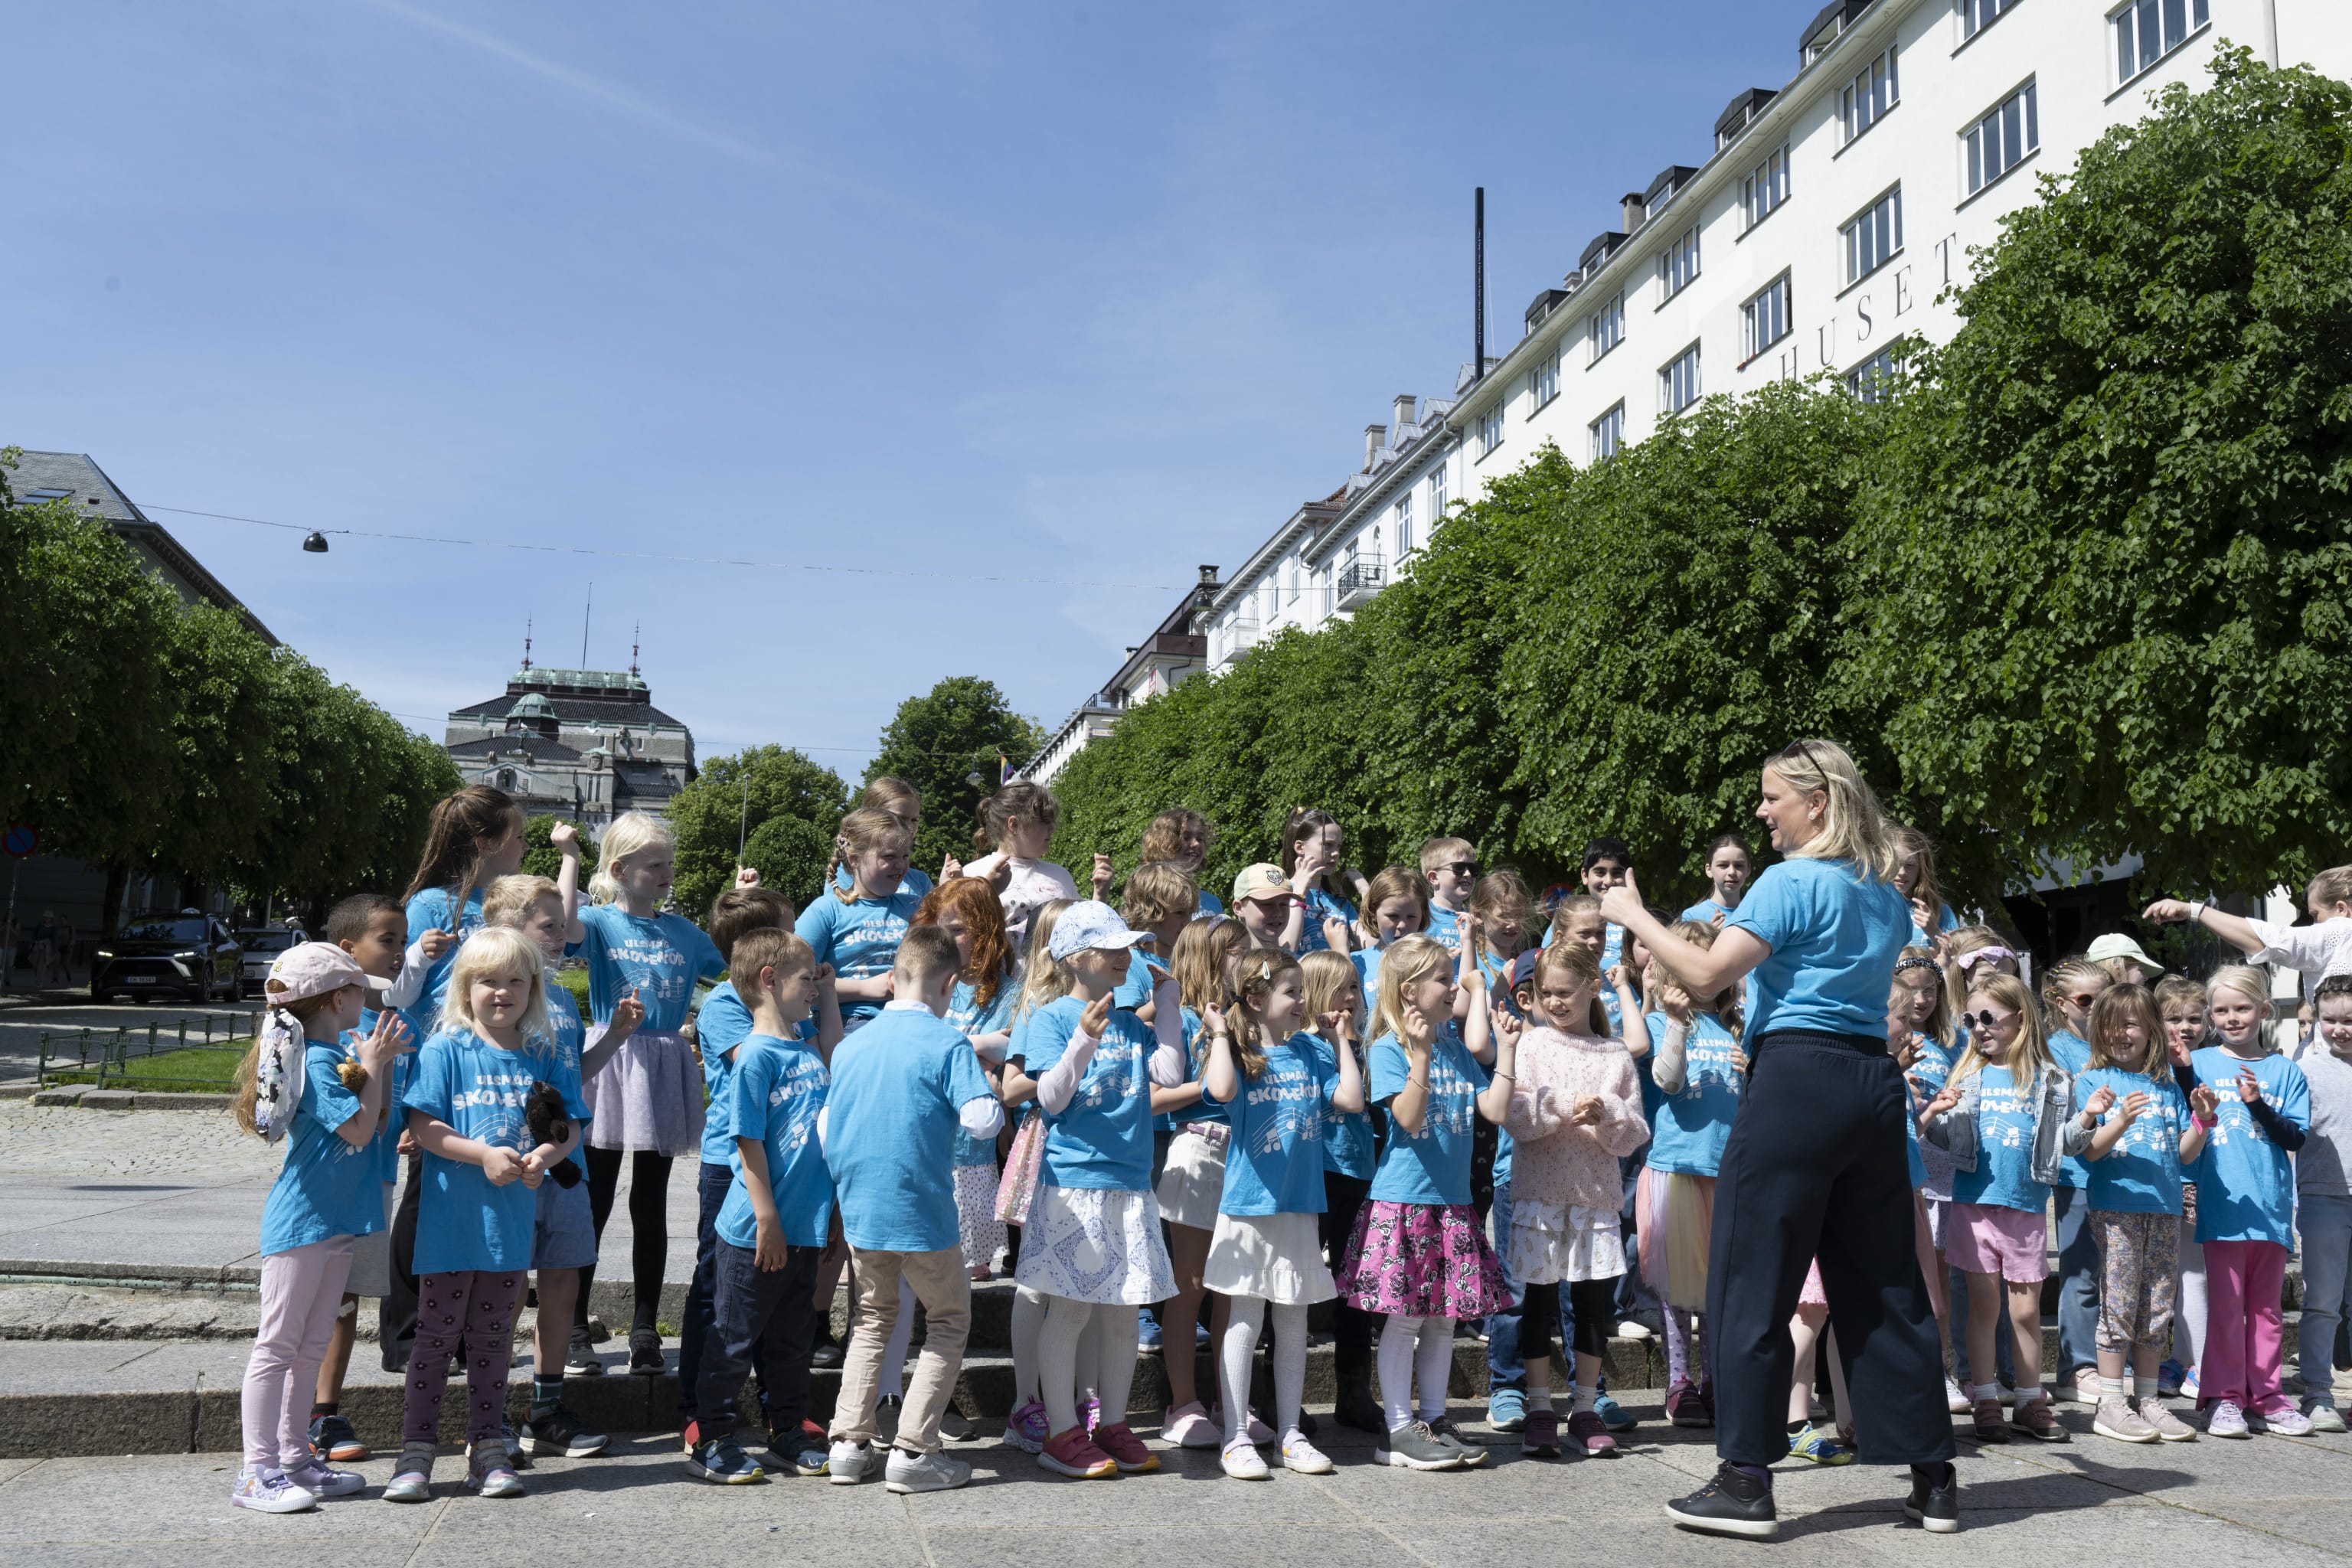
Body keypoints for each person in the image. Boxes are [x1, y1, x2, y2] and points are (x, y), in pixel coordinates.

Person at [1602, 739, 1955, 1540]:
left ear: (1817, 802)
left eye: (1772, 797)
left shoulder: (1790, 881)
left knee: (1750, 1277)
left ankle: (1746, 1480)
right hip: (1871, 1084)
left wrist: (1633, 916)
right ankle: (1933, 1474)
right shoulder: (1879, 891)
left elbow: (1703, 977)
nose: (1762, 811)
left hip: (1797, 1078)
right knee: (1886, 1283)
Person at [1001, 902, 1186, 1480]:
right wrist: (1082, 1039)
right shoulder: (1053, 1016)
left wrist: (1172, 1008)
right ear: (1079, 957)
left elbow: (1171, 1074)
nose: (1127, 956)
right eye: (1115, 948)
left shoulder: (1133, 1022)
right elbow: (1050, 1098)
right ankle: (1061, 1430)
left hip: (1128, 1184)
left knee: (1123, 1313)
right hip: (1074, 1183)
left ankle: (1110, 1422)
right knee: (1072, 1310)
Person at [386, 926, 568, 1504]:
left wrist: (542, 1155)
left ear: (533, 989)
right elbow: (423, 1126)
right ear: (465, 988)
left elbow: (567, 1128)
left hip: (507, 1235)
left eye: (515, 980)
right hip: (448, 1231)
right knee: (435, 1341)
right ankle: (415, 1451)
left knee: (493, 1342)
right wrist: (483, 1154)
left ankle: (487, 1445)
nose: (502, 992)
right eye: (488, 980)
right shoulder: (445, 1049)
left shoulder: (544, 1052)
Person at [819, 926, 1001, 1492]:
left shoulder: (851, 1045)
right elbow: (980, 1121)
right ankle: (916, 1450)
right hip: (923, 1210)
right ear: (950, 984)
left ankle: (849, 1443)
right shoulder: (948, 1043)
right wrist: (988, 1086)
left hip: (863, 1212)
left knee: (871, 1321)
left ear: (893, 979)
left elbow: (828, 1126)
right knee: (948, 1321)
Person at [230, 944, 407, 1513]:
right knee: (279, 1346)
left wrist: (374, 1067)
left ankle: (295, 1458)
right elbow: (359, 1132)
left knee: (309, 1345)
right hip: (303, 1224)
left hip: (333, 1223)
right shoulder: (320, 1062)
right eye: (359, 989)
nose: (367, 996)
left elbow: (372, 1127)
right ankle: (256, 1471)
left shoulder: (331, 1052)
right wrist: (375, 1067)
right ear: (338, 999)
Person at [1334, 933, 1514, 1472]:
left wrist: (1507, 1051)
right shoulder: (1390, 1048)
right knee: (1407, 1318)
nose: (1453, 987)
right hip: (1405, 1203)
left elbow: (1496, 1110)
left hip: (1452, 1202)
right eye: (1443, 978)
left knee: (1442, 1319)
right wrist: (1419, 1054)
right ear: (1411, 990)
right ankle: (1396, 1431)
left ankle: (1433, 1420)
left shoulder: (1456, 1047)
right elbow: (1407, 1119)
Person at [1198, 946, 1366, 1477]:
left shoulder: (1312, 1051)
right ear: (1255, 998)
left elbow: (1352, 1100)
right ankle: (1236, 1435)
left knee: (1293, 1319)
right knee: (1246, 1317)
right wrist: (1223, 1032)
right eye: (1291, 991)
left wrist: (1339, 1041)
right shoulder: (1242, 1056)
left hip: (1299, 1206)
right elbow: (1219, 1090)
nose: (1302, 1001)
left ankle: (1291, 1432)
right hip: (1249, 1208)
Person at [483, 871, 632, 1461]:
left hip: (567, 1162)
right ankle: (489, 1410)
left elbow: (572, 1078)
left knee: (563, 1281)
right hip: (513, 1164)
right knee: (502, 1287)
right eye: (550, 925)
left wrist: (617, 1037)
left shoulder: (563, 997)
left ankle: (544, 1408)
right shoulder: (497, 995)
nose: (563, 934)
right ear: (508, 929)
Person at [574, 811, 724, 1376]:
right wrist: (569, 859)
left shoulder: (685, 932)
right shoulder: (597, 923)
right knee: (594, 1199)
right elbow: (561, 933)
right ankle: (573, 1327)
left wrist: (738, 906)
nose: (666, 873)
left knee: (651, 1203)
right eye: (654, 865)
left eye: (668, 864)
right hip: (612, 1060)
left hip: (662, 1060)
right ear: (620, 869)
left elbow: (736, 965)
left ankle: (644, 1328)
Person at [384, 786, 525, 1372]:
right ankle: (409, 1333)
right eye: (516, 836)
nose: (522, 846)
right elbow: (395, 994)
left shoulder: (496, 907)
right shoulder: (428, 907)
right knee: (424, 1198)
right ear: (485, 842)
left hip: (489, 1074)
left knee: (466, 1205)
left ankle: (466, 1330)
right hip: (440, 1077)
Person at [687, 928, 835, 1485]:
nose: (817, 987)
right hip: (755, 1230)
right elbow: (746, 1142)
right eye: (807, 977)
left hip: (804, 1229)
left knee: (793, 1339)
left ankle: (787, 1429)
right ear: (769, 981)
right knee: (733, 1337)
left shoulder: (807, 1051)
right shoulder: (756, 1056)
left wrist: (831, 1217)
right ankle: (716, 1435)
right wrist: (767, 1216)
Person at [1501, 942, 1648, 1459]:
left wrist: (1607, 1110)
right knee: (1537, 1301)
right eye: (1547, 993)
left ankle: (1584, 1405)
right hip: (1540, 1193)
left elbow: (1633, 1133)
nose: (1556, 1001)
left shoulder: (1614, 1054)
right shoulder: (1533, 1044)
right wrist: (1564, 1106)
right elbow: (1517, 1116)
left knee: (1590, 1306)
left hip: (1593, 1197)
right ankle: (1539, 1404)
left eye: (1565, 992)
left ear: (1592, 988)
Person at [1921, 971, 2072, 1445]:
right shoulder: (1968, 1075)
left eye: (1989, 1017)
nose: (1979, 1027)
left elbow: (2065, 1139)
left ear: (2021, 1019)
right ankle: (1984, 1395)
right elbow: (1945, 1140)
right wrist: (1934, 1111)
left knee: (2026, 1312)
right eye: (1970, 1019)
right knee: (1984, 1307)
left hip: (2024, 1207)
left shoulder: (2050, 1078)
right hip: (1974, 1205)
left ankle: (2030, 1397)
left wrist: (2090, 1119)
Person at [306, 893, 430, 1465]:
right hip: (329, 1187)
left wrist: (409, 1122)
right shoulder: (332, 1033)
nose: (399, 953)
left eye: (403, 942)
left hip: (376, 1178)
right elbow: (345, 1109)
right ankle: (306, 1414)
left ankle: (325, 1412)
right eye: (389, 941)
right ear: (346, 949)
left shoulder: (396, 1018)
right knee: (320, 1299)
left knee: (347, 1298)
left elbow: (408, 1098)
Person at [2063, 983, 2213, 1443]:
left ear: (2151, 1029)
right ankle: (2111, 1402)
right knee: (2121, 1304)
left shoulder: (2166, 1082)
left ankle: (2147, 1399)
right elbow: (2089, 1152)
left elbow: (2184, 1156)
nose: (2119, 1033)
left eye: (2129, 1023)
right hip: (2118, 1209)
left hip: (2164, 1208)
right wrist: (2119, 1119)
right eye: (2109, 1024)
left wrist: (2203, 1123)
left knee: (2156, 1306)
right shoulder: (2095, 1081)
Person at [2188, 964, 2311, 1437]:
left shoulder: (2285, 1071)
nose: (2231, 1018)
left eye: (2242, 1008)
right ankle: (2223, 1397)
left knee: (2266, 1310)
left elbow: (2294, 1138)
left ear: (2264, 1010)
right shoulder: (2198, 1065)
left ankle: (2269, 1397)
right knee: (2226, 1305)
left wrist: (2258, 1103)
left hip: (2271, 1211)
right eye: (2221, 1010)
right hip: (2222, 1208)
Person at [1638, 920, 1749, 1431]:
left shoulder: (1736, 1026)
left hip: (1727, 1167)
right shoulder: (1661, 1021)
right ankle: (1680, 1381)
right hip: (1680, 1167)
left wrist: (1751, 1072)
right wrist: (1678, 1024)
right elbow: (1666, 1080)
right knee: (1680, 1285)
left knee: (1719, 1286)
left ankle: (1715, 1380)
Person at [1153, 914, 1248, 1448]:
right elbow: (1164, 1092)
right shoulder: (1185, 1017)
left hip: (1243, 1157)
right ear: (1211, 957)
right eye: (1236, 951)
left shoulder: (1243, 1014)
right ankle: (1182, 1403)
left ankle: (1230, 1402)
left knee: (1232, 1287)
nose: (1247, 958)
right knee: (1189, 1287)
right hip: (1198, 1148)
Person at [996, 897, 1077, 1453]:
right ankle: (1027, 1401)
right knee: (1033, 1280)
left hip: (1084, 1148)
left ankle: (1072, 1398)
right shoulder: (1035, 1007)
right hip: (1044, 1144)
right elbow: (1014, 1086)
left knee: (1077, 1282)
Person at [1297, 948, 1383, 1432]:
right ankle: (1280, 1392)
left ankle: (1354, 1391)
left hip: (1358, 1172)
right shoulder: (1303, 1045)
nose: (1350, 997)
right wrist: (1338, 1043)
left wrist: (1350, 1043)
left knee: (1354, 1286)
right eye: (1340, 988)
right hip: (1316, 1173)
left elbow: (1367, 1100)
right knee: (1301, 1284)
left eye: (1354, 987)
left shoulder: (1365, 1045)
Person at [919, 876, 1021, 1280]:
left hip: (975, 1150)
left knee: (972, 1271)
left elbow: (1008, 1057)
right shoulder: (931, 986)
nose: (946, 940)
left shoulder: (1011, 995)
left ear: (987, 931)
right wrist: (976, 1048)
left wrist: (966, 1045)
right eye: (940, 930)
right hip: (931, 1140)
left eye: (957, 930)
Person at [2042, 956, 2112, 1404]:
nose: (2097, 1007)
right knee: (2082, 1272)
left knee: (2114, 1275)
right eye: (2087, 999)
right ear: (2062, 1003)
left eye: (2104, 997)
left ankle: (2104, 1360)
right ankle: (2076, 1367)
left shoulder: (2119, 1041)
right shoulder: (2056, 1047)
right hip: (2077, 1174)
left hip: (2116, 1172)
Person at [2295, 975, 2352, 1432]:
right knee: (2324, 1301)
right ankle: (2317, 1390)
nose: (2340, 1029)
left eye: (2349, 1019)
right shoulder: (2307, 1069)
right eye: (2329, 1020)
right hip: (2323, 1196)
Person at [2154, 975, 2213, 1399]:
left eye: (2194, 1018)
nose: (2185, 1027)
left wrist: (2187, 1068)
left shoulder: (2207, 1064)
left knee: (2194, 1277)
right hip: (2160, 1183)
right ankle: (2179, 1358)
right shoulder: (2152, 1067)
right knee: (2167, 1279)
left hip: (2196, 1183)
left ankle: (2199, 1364)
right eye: (2173, 1018)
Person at [2145, 868, 2352, 988]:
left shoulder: (2341, 931)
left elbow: (2265, 940)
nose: (2314, 924)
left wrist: (2195, 911)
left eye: (2316, 915)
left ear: (2341, 909)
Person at [963, 781, 1080, 956]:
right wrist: (987, 890)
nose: (1052, 828)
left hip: (1057, 982)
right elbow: (960, 937)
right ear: (1014, 825)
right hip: (998, 982)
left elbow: (1082, 931)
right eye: (1044, 821)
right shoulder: (973, 873)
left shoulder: (1060, 875)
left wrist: (1100, 893)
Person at [833, 776, 939, 896]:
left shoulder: (920, 881)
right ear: (871, 817)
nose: (910, 827)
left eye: (914, 820)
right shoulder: (848, 875)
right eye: (900, 818)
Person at [1281, 808, 1365, 955]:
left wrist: (1366, 892)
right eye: (1327, 845)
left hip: (1337, 977)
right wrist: (1299, 893)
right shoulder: (1280, 894)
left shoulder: (1339, 903)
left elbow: (1372, 943)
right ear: (1300, 847)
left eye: (1339, 846)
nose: (1336, 853)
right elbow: (1287, 950)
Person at [1139, 808, 1223, 914]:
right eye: (1186, 837)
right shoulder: (1145, 898)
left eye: (1200, 839)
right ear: (1164, 844)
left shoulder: (1212, 903)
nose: (1196, 843)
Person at [1891, 828, 1957, 949]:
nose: (1902, 872)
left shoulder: (1940, 911)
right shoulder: (1868, 907)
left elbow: (1958, 960)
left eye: (1910, 865)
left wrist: (1934, 932)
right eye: (1895, 863)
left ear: (1922, 868)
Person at [1420, 838, 1477, 956]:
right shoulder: (1420, 914)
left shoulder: (1475, 919)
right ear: (1434, 878)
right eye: (1459, 868)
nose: (1468, 874)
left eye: (1473, 869)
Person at [1229, 864, 1299, 952]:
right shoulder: (1230, 963)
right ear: (1239, 908)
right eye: (1267, 904)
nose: (1278, 913)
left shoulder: (1297, 963)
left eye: (1284, 904)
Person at [1682, 838, 1753, 925]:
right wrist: (1710, 935)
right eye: (1723, 865)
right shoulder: (1693, 917)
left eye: (1739, 865)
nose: (1732, 872)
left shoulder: (1756, 915)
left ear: (1748, 869)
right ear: (1709, 870)